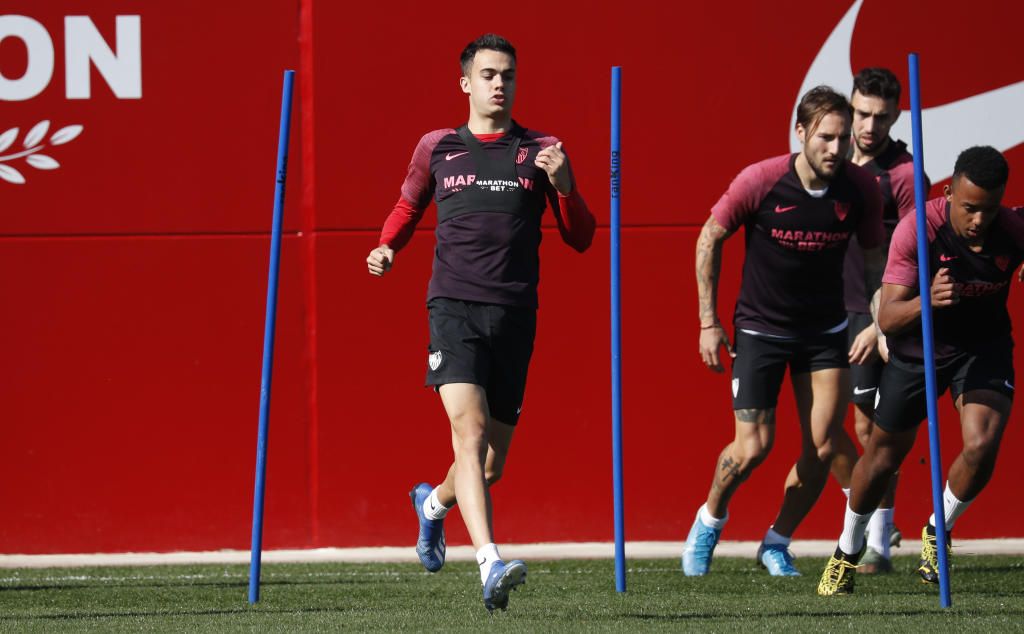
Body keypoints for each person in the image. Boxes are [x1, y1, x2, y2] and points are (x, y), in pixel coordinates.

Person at [365, 33, 595, 612]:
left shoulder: (541, 150)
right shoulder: (438, 147)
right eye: (489, 74)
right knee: (468, 436)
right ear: (465, 83)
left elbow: (581, 238)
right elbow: (409, 203)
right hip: (454, 308)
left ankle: (432, 505)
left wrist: (566, 186)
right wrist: (388, 245)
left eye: (508, 75)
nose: (500, 84)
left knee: (490, 465)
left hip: (514, 315)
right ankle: (490, 564)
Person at [687, 85, 884, 577]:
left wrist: (881, 323)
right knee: (753, 447)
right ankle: (709, 521)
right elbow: (709, 237)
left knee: (824, 446)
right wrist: (708, 321)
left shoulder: (861, 189)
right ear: (800, 133)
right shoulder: (761, 180)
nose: (836, 148)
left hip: (824, 332)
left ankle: (776, 542)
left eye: (842, 139)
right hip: (761, 329)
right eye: (825, 138)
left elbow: (875, 264)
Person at [818, 146, 1022, 596]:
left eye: (989, 210)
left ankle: (938, 528)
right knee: (883, 457)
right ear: (949, 194)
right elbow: (888, 318)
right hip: (918, 348)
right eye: (969, 208)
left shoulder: (1012, 227)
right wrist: (927, 300)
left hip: (982, 347)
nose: (978, 220)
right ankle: (847, 550)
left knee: (982, 444)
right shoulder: (918, 229)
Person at [828, 67, 930, 573]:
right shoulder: (831, 156)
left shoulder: (906, 175)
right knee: (830, 430)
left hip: (876, 315)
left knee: (876, 429)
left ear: (896, 117)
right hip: (828, 310)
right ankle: (866, 513)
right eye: (863, 113)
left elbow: (914, 255)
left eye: (881, 117)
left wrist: (880, 324)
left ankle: (879, 543)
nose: (870, 126)